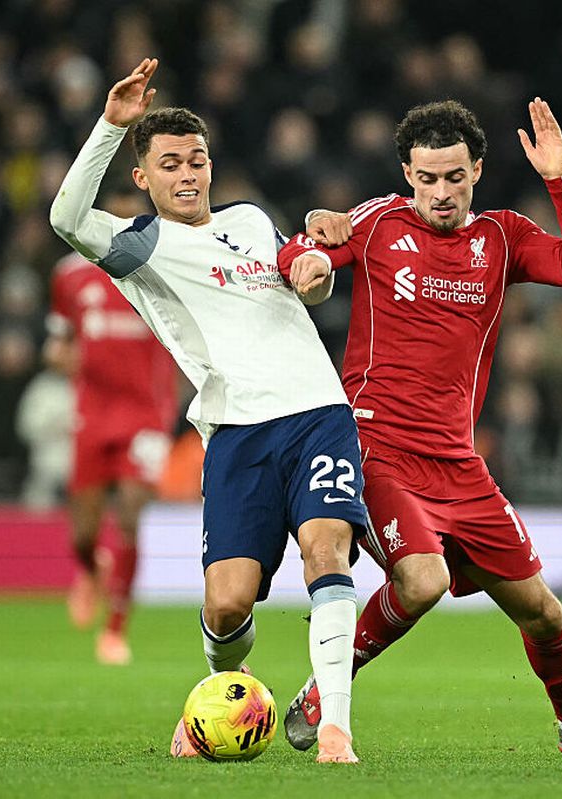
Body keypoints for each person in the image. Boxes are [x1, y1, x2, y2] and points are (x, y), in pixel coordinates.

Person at [278, 98, 562, 759]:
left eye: (454, 176)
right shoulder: (375, 223)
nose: (441, 192)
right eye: (427, 178)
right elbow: (301, 249)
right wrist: (304, 259)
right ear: (408, 173)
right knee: (421, 580)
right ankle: (325, 687)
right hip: (376, 449)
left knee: (543, 611)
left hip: (459, 464)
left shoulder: (503, 238)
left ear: (476, 170)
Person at [49, 58, 365, 764]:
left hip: (316, 411)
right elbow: (65, 217)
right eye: (169, 164)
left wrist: (312, 273)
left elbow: (298, 271)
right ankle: (229, 690)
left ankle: (337, 726)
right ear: (144, 178)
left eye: (197, 160)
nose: (187, 174)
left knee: (326, 549)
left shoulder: (250, 218)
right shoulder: (141, 248)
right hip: (235, 433)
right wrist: (110, 126)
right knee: (226, 603)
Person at [45, 186, 180, 666]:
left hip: (144, 415)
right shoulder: (70, 276)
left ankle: (116, 628)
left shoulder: (159, 272)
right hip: (92, 414)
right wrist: (68, 358)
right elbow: (57, 343)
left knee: (129, 514)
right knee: (82, 536)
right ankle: (90, 567)